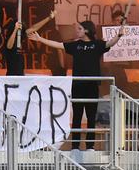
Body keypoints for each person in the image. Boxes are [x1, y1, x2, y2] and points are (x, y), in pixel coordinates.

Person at [31, 20, 123, 151]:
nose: (77, 31)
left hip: (91, 86)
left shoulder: (97, 44)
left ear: (86, 30)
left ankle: (90, 146)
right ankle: (75, 146)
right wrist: (40, 39)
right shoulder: (76, 45)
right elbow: (58, 45)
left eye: (79, 29)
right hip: (77, 85)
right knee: (77, 117)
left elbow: (110, 43)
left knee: (91, 117)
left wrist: (119, 35)